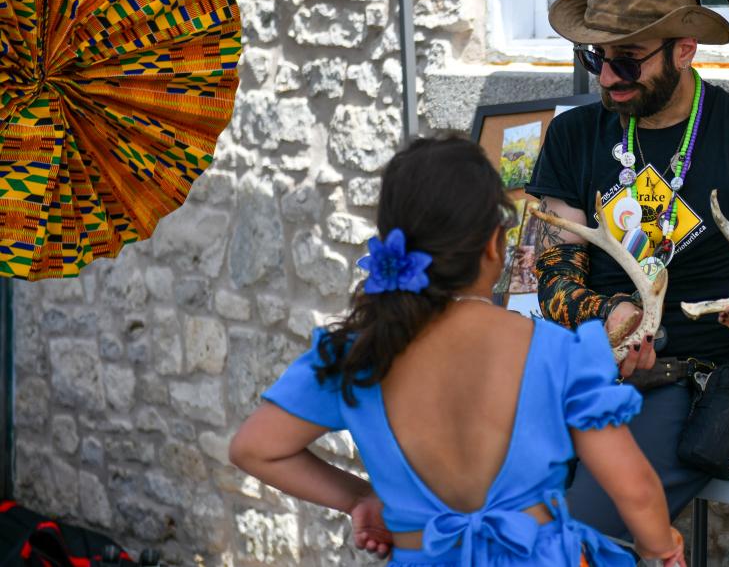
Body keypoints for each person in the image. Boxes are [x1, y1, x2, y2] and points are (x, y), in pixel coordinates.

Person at [229, 135, 686, 567]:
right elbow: (635, 490)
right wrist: (661, 546)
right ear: (493, 244)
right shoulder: (557, 352)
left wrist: (358, 498)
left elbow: (256, 448)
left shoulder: (358, 353)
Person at [525, 0, 729, 537]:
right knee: (495, 508)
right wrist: (611, 314)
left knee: (581, 535)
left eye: (628, 62)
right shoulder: (572, 135)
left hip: (685, 382)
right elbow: (552, 278)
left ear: (685, 49)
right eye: (596, 59)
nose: (607, 80)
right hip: (580, 369)